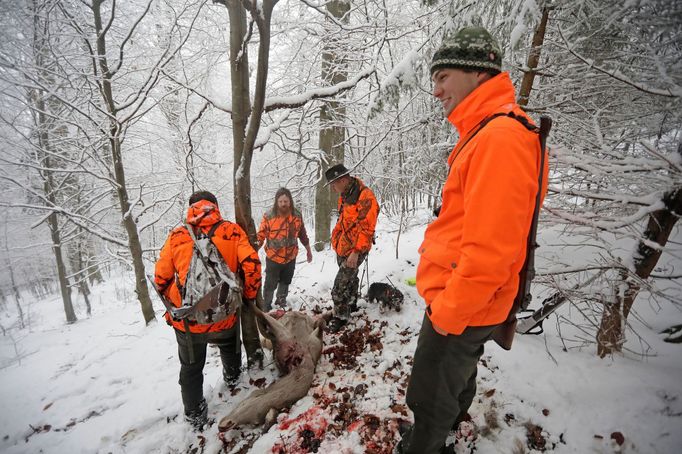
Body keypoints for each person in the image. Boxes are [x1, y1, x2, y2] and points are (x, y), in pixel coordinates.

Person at [396, 27, 548, 453]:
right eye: (434, 78)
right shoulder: (488, 132)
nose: (436, 89)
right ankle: (448, 426)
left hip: (462, 302)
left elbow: (492, 251)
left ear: (477, 73)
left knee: (428, 393)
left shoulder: (499, 138)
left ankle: (426, 442)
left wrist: (447, 312)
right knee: (455, 378)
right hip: (468, 299)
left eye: (443, 76)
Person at [154, 191, 261, 430]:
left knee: (191, 368)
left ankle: (195, 415)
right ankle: (233, 380)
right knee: (229, 347)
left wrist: (172, 303)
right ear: (215, 206)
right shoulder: (232, 231)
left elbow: (160, 277)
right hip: (225, 314)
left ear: (191, 208)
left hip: (190, 322)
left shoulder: (177, 236)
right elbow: (252, 265)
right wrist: (248, 296)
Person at [324, 164, 379, 333]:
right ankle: (351, 305)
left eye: (334, 184)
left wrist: (355, 252)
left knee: (339, 287)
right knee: (351, 278)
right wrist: (336, 242)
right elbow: (343, 220)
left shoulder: (365, 197)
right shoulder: (345, 195)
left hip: (356, 249)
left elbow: (366, 229)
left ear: (343, 180)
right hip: (343, 247)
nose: (333, 189)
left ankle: (340, 317)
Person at [256, 188, 313, 311]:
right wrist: (253, 249)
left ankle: (281, 301)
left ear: (290, 201)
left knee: (286, 281)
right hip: (273, 257)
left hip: (291, 257)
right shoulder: (269, 216)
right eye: (280, 201)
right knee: (270, 284)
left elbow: (302, 233)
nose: (283, 204)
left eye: (285, 201)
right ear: (276, 202)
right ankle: (266, 305)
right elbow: (260, 235)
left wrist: (308, 250)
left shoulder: (297, 215)